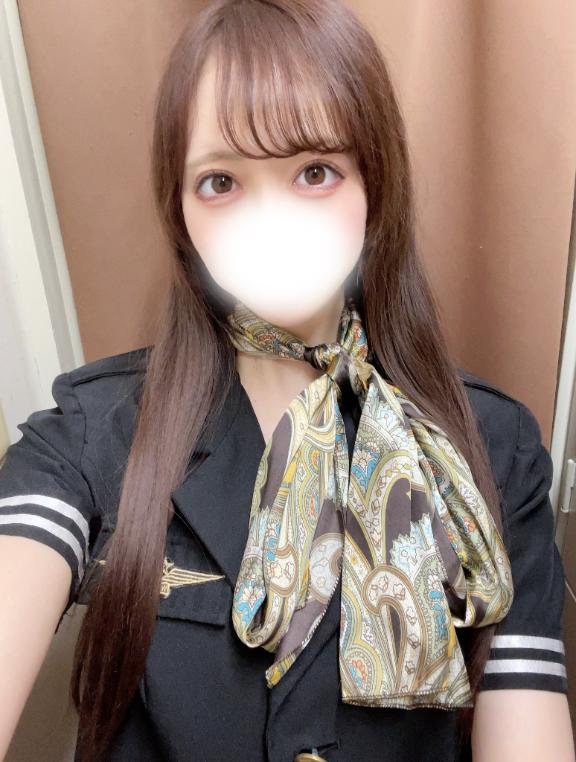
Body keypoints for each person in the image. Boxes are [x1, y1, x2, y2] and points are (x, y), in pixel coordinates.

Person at [0, 1, 573, 760]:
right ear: (180, 213)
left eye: (315, 172)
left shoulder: (493, 451)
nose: (270, 221)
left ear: (375, 188)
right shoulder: (88, 436)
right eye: (220, 182)